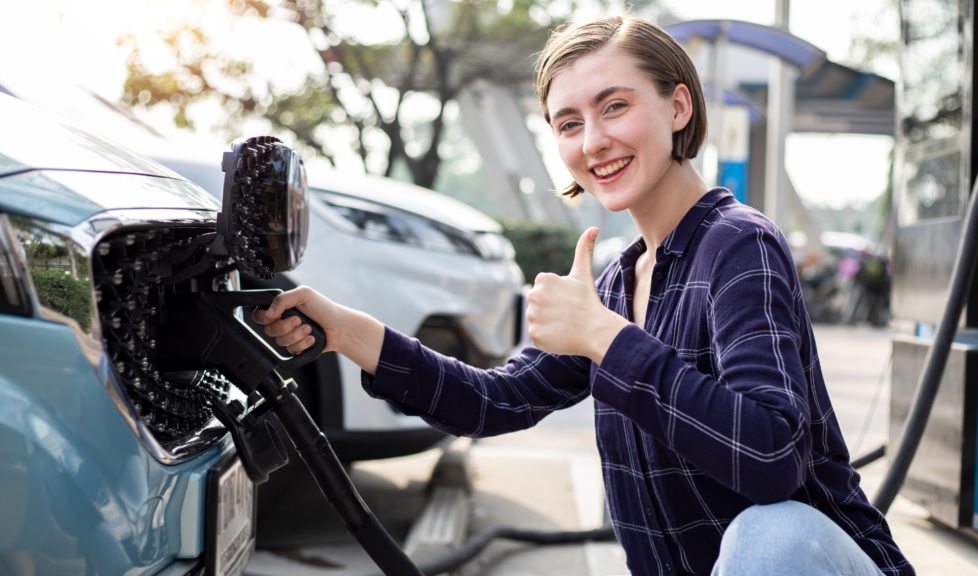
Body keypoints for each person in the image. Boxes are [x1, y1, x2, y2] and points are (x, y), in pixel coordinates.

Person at [253, 15, 914, 576]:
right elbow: (493, 400)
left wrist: (604, 338)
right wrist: (348, 331)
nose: (593, 141)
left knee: (771, 535)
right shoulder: (615, 283)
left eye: (615, 106)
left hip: (809, 560)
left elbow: (771, 458)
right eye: (568, 123)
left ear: (678, 108)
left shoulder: (739, 246)